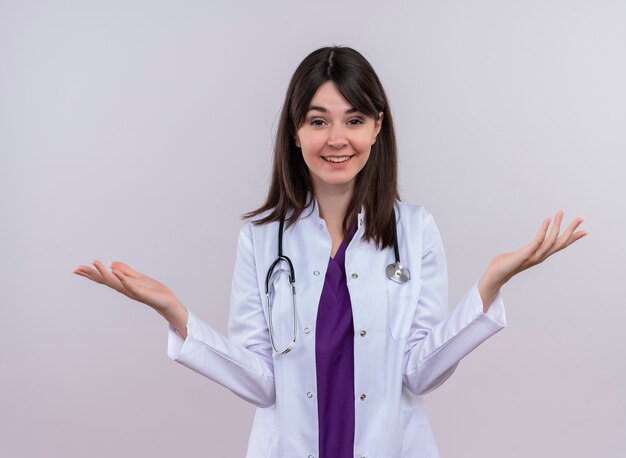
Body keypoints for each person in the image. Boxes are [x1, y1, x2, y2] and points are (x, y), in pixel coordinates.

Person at [73, 46, 587, 458]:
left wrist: (487, 288)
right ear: (295, 133)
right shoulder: (262, 238)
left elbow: (418, 374)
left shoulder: (414, 230)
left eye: (355, 120)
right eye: (318, 121)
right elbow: (260, 383)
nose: (337, 139)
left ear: (377, 127)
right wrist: (177, 314)